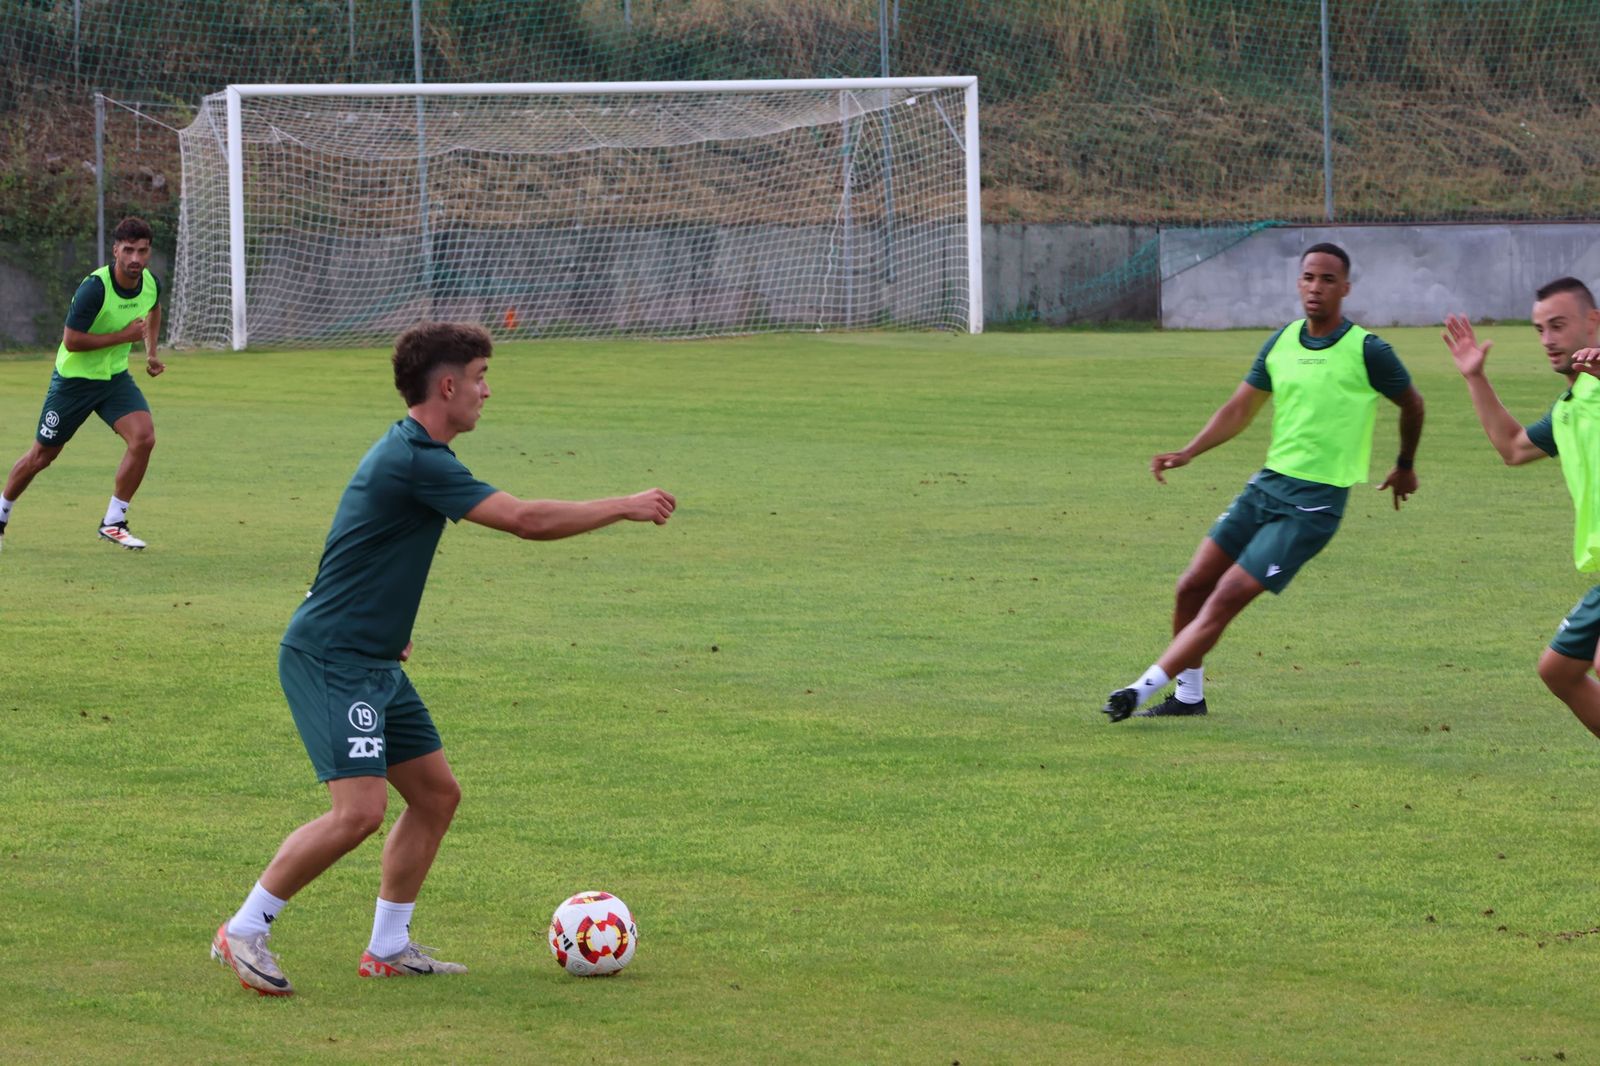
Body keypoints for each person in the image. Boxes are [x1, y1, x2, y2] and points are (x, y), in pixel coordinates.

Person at [211, 321, 676, 996]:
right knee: (359, 812)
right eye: (482, 378)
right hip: (333, 658)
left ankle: (389, 945)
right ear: (449, 385)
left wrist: (384, 624)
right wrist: (624, 506)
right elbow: (526, 520)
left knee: (434, 796)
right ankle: (246, 928)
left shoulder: (419, 455)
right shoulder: (415, 459)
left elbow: (353, 549)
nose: (487, 392)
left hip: (371, 656)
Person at [1102, 242, 1425, 722]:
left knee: (1228, 594)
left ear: (1346, 288)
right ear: (1299, 283)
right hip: (1266, 487)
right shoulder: (1282, 341)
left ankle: (1139, 689)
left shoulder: (1369, 350)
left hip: (1314, 506)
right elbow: (1239, 408)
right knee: (1191, 586)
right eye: (1308, 277)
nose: (1316, 287)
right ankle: (1189, 697)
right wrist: (1190, 450)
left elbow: (1413, 403)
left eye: (1328, 280)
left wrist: (1404, 464)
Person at [1442, 278, 1600, 739]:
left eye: (1558, 325)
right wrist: (1474, 375)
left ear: (1593, 322)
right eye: (1540, 329)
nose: (1548, 339)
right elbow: (1512, 447)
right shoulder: (1571, 405)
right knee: (1559, 670)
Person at [0, 216, 165, 552]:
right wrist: (125, 336)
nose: (136, 258)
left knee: (144, 438)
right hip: (73, 382)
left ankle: (114, 522)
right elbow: (72, 341)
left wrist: (150, 353)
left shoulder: (150, 283)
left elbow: (154, 309)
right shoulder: (95, 287)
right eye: (129, 250)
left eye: (143, 251)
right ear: (116, 249)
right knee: (41, 457)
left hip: (113, 379)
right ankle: (1, 514)